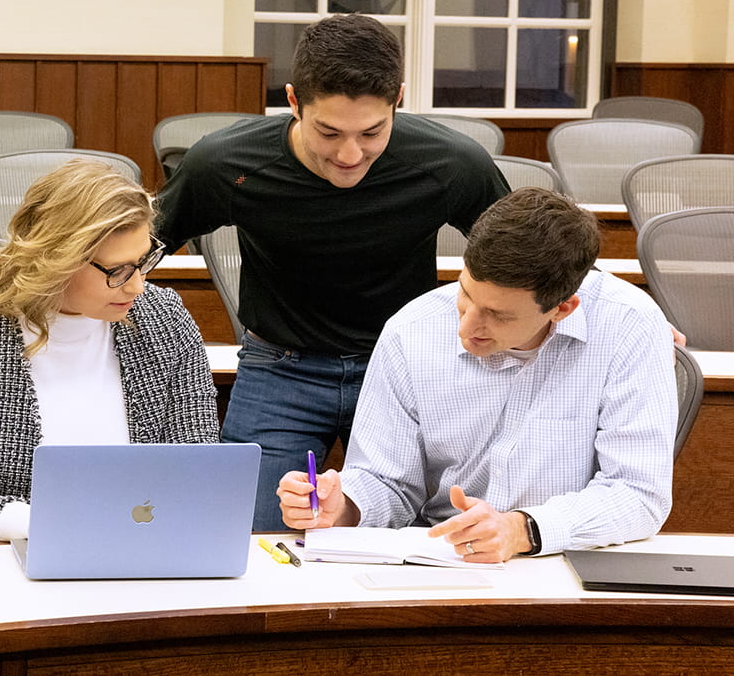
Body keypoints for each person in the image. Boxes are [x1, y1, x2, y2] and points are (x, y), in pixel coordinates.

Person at [154, 13, 510, 530]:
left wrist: (632, 315)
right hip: (281, 369)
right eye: (329, 131)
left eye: (372, 132)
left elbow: (532, 255)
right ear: (294, 102)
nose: (350, 154)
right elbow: (141, 246)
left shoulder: (450, 163)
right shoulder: (228, 163)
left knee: (428, 536)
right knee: (247, 536)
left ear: (398, 100)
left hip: (402, 371)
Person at [278, 188, 676, 561]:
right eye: (466, 294)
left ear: (563, 308)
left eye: (498, 315)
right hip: (441, 556)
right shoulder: (411, 329)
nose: (468, 326)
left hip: (565, 558)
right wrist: (344, 506)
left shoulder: (630, 326)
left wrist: (520, 531)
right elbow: (390, 482)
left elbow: (638, 493)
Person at [0, 159, 219, 544]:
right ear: (56, 260)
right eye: (119, 271)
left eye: (144, 262)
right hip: (13, 565)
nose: (137, 287)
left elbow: (198, 462)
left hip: (149, 549)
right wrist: (64, 528)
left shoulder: (165, 319)